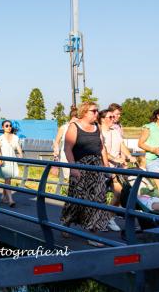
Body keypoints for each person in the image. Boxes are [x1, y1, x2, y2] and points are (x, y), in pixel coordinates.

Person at [60, 102, 112, 247]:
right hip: (81, 166)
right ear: (84, 112)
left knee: (98, 198)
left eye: (97, 111)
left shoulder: (97, 127)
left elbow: (101, 148)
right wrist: (73, 167)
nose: (96, 113)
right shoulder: (74, 127)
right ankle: (66, 222)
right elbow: (67, 149)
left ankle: (93, 233)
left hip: (97, 167)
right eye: (93, 111)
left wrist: (106, 167)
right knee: (76, 199)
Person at [0, 120, 23, 208]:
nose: (9, 127)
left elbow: (18, 147)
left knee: (8, 180)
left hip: (12, 160)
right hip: (4, 161)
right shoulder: (0, 138)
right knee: (8, 179)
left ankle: (3, 196)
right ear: (3, 127)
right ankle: (10, 200)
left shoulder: (15, 137)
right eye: (6, 126)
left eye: (10, 125)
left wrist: (20, 154)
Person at [52, 106, 79, 179]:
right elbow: (56, 142)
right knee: (68, 177)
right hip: (66, 156)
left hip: (78, 156)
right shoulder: (64, 127)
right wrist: (56, 153)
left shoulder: (80, 127)